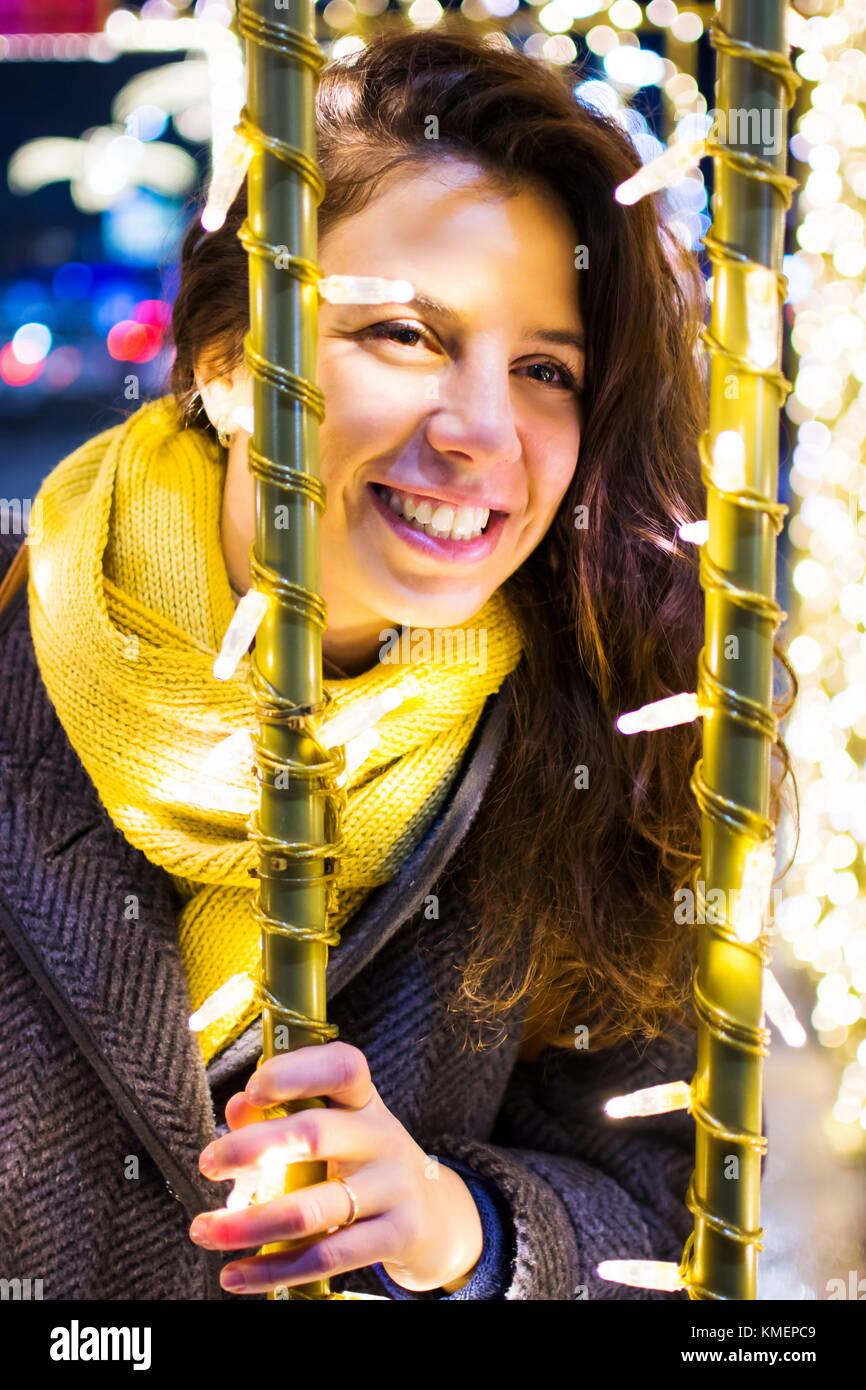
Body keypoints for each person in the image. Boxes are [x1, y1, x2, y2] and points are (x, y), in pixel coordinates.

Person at [0, 24, 794, 1301]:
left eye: (544, 369)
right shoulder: (14, 630)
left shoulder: (592, 730)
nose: (484, 430)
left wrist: (459, 1230)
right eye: (408, 335)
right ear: (224, 358)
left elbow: (658, 1206)